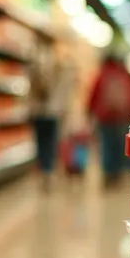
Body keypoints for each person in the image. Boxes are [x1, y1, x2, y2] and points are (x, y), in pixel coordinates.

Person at [87, 54, 130, 189]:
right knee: (120, 146)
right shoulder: (125, 75)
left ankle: (108, 173)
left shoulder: (102, 75)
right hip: (122, 117)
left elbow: (93, 95)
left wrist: (89, 111)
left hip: (105, 117)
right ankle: (118, 174)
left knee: (107, 145)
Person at [29, 52, 75, 192]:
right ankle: (48, 172)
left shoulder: (35, 73)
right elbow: (63, 96)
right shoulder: (61, 74)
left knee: (40, 143)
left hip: (38, 113)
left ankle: (43, 171)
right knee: (50, 143)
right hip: (53, 113)